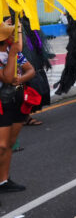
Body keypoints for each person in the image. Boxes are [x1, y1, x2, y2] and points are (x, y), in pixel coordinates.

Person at [0, 22, 35, 194]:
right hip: (2, 103)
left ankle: (4, 180)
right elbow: (6, 77)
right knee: (1, 145)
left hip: (17, 100)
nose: (13, 37)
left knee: (10, 144)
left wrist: (20, 80)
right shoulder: (10, 52)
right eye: (10, 34)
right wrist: (13, 53)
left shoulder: (12, 51)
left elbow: (30, 70)